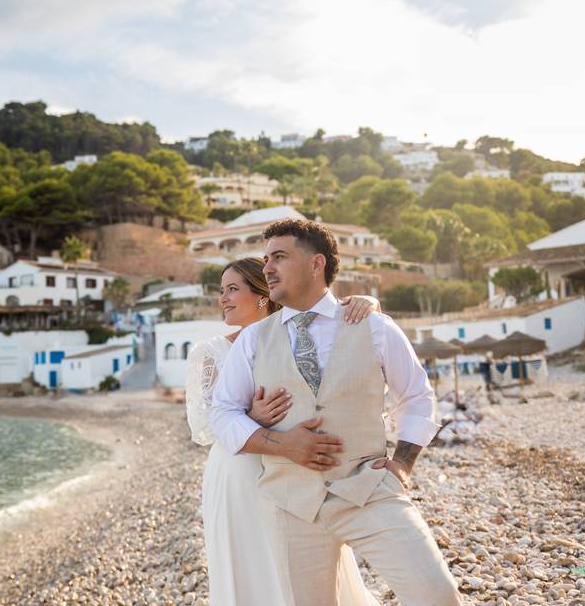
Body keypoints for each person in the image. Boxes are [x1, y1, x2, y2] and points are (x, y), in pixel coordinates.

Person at [210, 219, 462, 606]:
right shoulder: (254, 339)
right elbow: (224, 413)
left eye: (279, 256)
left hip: (368, 488)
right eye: (265, 260)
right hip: (291, 504)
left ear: (316, 264)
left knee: (436, 594)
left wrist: (403, 465)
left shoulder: (375, 326)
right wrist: (282, 445)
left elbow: (416, 395)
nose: (267, 269)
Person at [186, 257, 381, 606]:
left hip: (299, 468)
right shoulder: (210, 352)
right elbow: (201, 428)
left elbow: (340, 331)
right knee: (250, 563)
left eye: (233, 289)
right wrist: (250, 415)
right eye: (221, 291)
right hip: (239, 471)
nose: (223, 298)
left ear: (262, 296)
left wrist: (368, 304)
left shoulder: (296, 336)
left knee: (307, 561)